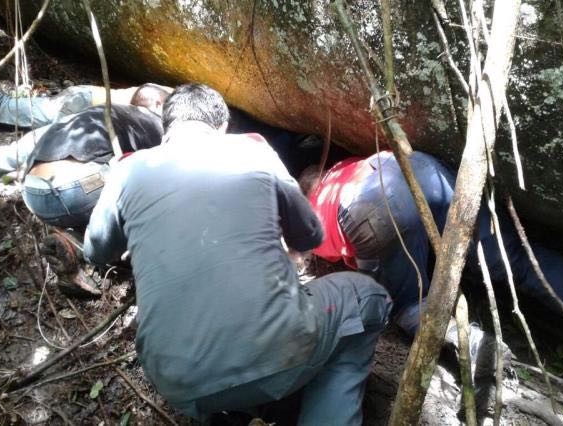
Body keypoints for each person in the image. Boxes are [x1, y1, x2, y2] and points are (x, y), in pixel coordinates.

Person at [84, 83, 393, 424]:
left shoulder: (128, 169)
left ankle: (235, 410)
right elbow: (310, 234)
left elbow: (96, 249)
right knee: (366, 297)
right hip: (273, 351)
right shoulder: (253, 151)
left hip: (175, 379)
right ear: (222, 127)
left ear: (166, 127)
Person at [301, 151, 563, 338]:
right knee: (516, 261)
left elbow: (361, 255)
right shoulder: (345, 166)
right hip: (417, 166)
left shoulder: (316, 212)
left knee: (406, 306)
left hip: (371, 207)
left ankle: (475, 346)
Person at [0, 83, 170, 200]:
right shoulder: (170, 113)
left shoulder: (176, 95)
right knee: (12, 153)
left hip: (85, 106)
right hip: (87, 110)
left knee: (3, 112)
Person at [21, 85, 165, 229]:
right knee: (151, 175)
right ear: (158, 104)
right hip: (66, 192)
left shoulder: (107, 111)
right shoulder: (152, 121)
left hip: (29, 190)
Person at [0, 63, 171, 128]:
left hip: (87, 97)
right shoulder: (164, 105)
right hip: (82, 106)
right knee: (0, 105)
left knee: (2, 104)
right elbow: (147, 98)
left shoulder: (182, 96)